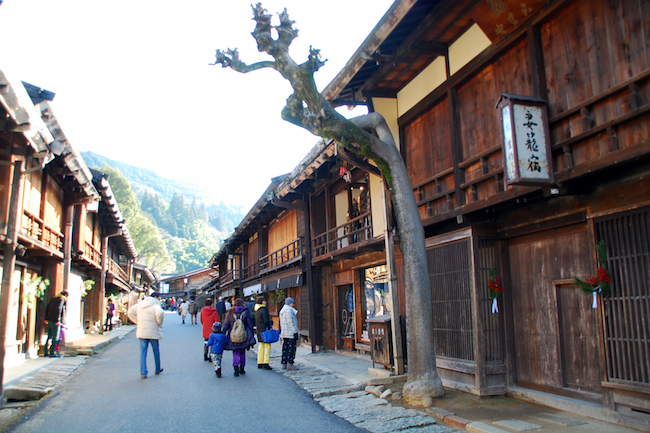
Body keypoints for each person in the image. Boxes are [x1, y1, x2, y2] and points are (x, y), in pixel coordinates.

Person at [128, 294, 164, 379]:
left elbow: (130, 312)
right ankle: (157, 368)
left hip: (142, 331)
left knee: (143, 352)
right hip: (153, 331)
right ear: (155, 297)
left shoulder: (139, 304)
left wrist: (138, 321)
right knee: (156, 351)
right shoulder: (155, 305)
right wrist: (159, 322)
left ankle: (143, 373)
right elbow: (160, 313)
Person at [223, 298, 256, 377]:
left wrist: (223, 332)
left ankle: (236, 370)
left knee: (235, 352)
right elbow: (250, 324)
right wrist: (251, 334)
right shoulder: (245, 312)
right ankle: (242, 368)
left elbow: (226, 324)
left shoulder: (230, 312)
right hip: (243, 334)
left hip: (233, 335)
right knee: (242, 352)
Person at [44, 290, 68, 358]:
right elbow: (59, 309)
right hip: (56, 322)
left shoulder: (53, 299)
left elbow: (47, 308)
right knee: (55, 337)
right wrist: (58, 320)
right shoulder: (61, 300)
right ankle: (52, 352)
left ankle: (46, 352)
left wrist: (46, 318)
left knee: (49, 336)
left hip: (49, 320)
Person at [279, 297, 299, 370]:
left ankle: (284, 363)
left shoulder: (283, 311)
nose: (293, 305)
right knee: (291, 349)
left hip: (284, 332)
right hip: (290, 333)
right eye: (293, 303)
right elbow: (290, 322)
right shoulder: (288, 311)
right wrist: (295, 331)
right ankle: (289, 363)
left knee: (285, 348)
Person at [254, 296, 273, 370]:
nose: (265, 302)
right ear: (262, 302)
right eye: (264, 301)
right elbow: (266, 321)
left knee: (261, 346)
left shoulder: (257, 310)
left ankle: (260, 362)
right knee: (267, 346)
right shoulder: (263, 310)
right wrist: (270, 323)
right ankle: (266, 362)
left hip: (259, 330)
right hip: (265, 330)